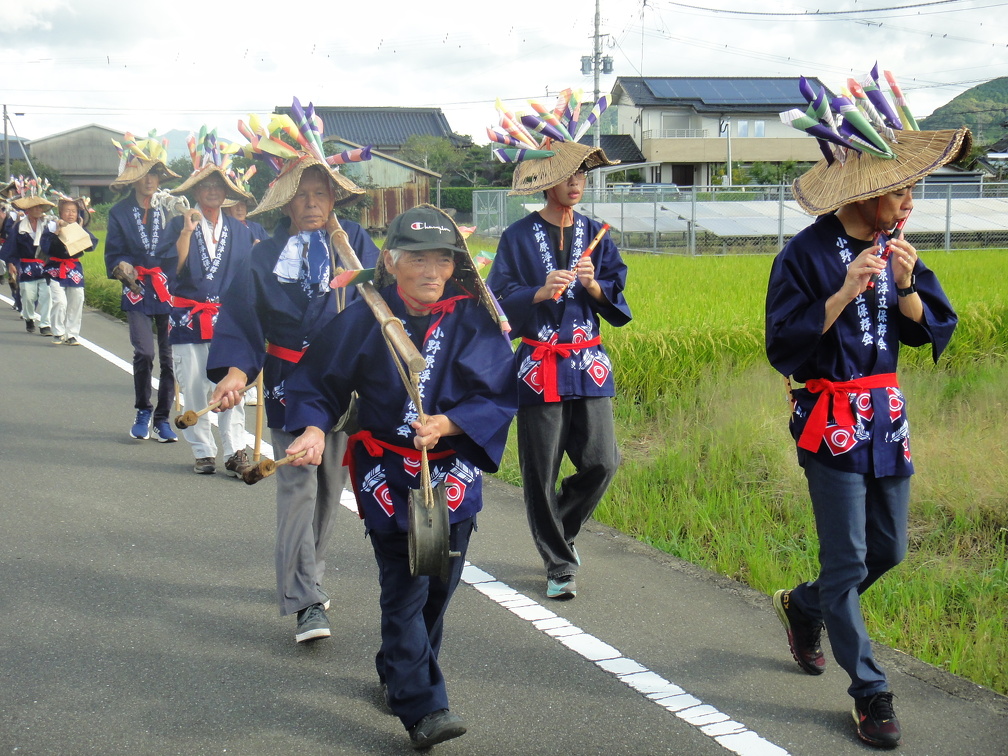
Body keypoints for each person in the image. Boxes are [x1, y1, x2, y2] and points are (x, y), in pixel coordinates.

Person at [766, 83, 968, 748]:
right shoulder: (805, 255)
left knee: (889, 549)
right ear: (863, 192)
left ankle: (805, 605)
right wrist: (844, 290)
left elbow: (930, 327)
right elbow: (784, 345)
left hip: (886, 418)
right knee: (849, 559)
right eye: (900, 191)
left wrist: (905, 287)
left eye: (913, 190)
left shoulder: (898, 248)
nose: (910, 203)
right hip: (829, 419)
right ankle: (870, 692)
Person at [283, 204, 517, 749]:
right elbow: (318, 381)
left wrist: (450, 423)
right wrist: (313, 428)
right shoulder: (365, 316)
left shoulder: (472, 318)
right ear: (390, 261)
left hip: (451, 469)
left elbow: (497, 392)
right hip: (386, 470)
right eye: (418, 259)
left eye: (442, 259)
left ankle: (398, 667)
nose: (432, 271)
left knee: (438, 586)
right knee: (405, 585)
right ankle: (424, 708)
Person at [208, 127, 379, 642]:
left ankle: (309, 580)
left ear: (333, 198)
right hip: (288, 382)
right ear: (285, 203)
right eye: (301, 196)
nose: (311, 204)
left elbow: (382, 307)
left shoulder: (356, 244)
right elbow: (242, 320)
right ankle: (305, 600)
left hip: (342, 387)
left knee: (329, 490)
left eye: (320, 194)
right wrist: (237, 372)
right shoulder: (263, 257)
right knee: (298, 486)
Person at [486, 127, 631, 601]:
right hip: (539, 364)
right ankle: (559, 564)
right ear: (548, 180)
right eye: (569, 175)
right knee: (540, 469)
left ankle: (559, 532)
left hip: (588, 362)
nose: (576, 183)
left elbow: (617, 296)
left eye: (582, 174)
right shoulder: (517, 237)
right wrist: (538, 292)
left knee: (602, 461)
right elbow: (496, 299)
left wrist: (593, 287)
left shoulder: (597, 234)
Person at [157, 134, 255, 476]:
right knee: (195, 385)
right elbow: (175, 269)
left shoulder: (240, 232)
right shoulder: (178, 225)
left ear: (227, 191)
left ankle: (236, 450)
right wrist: (186, 232)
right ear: (196, 191)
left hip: (227, 319)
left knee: (230, 386)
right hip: (189, 316)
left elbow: (246, 277)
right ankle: (202, 450)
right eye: (206, 185)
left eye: (218, 185)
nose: (212, 190)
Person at [104, 133, 181, 442]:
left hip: (167, 286)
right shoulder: (119, 212)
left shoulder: (171, 207)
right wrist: (122, 265)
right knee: (144, 352)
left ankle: (162, 419)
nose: (150, 180)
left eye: (155, 173)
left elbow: (183, 247)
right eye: (144, 174)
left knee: (170, 357)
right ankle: (143, 410)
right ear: (133, 177)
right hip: (135, 287)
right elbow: (114, 252)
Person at [42, 196, 98, 345]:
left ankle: (72, 334)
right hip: (55, 267)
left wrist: (80, 231)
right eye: (67, 211)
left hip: (73, 268)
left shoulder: (79, 228)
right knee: (59, 301)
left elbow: (91, 245)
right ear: (61, 213)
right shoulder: (51, 228)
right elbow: (46, 248)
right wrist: (57, 233)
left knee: (77, 299)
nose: (70, 214)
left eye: (73, 211)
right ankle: (58, 332)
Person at [2, 189, 55, 336]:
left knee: (47, 295)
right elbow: (11, 247)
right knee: (28, 296)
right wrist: (11, 263)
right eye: (35, 207)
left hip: (45, 265)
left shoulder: (48, 225)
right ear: (28, 210)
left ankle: (45, 324)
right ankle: (29, 317)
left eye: (40, 207)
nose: (38, 210)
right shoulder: (19, 227)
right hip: (26, 265)